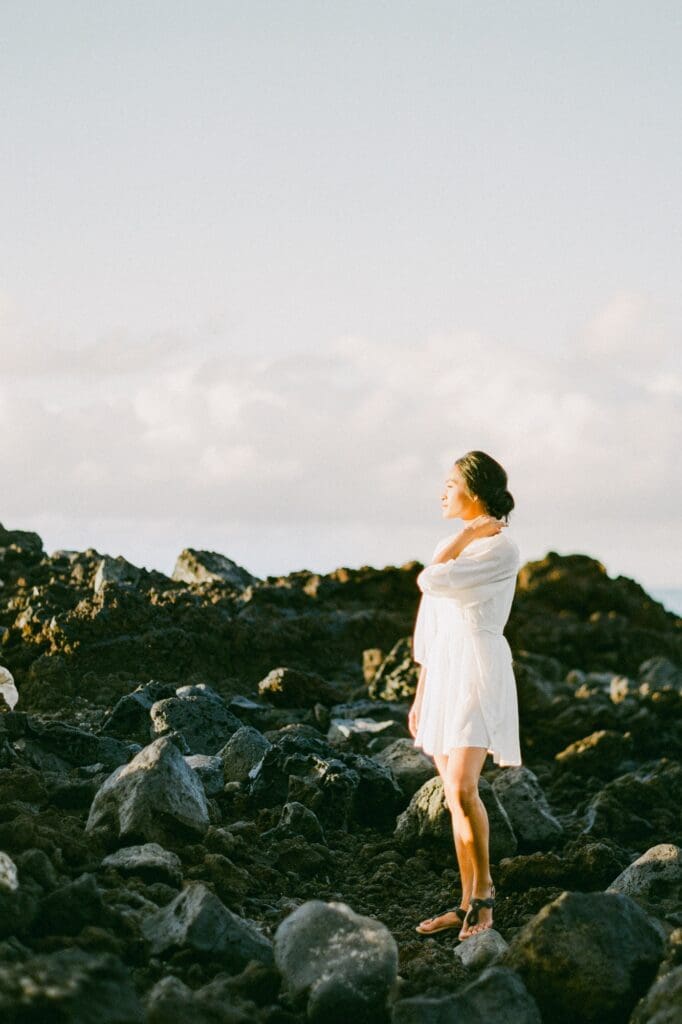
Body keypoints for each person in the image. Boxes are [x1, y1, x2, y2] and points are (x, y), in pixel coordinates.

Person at [408, 450, 522, 940]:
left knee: (461, 787)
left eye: (450, 483)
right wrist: (420, 692)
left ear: (473, 491)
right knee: (454, 799)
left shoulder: (500, 548)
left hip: (478, 666)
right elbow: (429, 625)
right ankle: (464, 901)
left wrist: (469, 535)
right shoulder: (454, 543)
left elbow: (429, 579)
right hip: (445, 674)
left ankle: (485, 900)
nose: (442, 492)